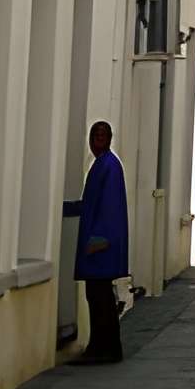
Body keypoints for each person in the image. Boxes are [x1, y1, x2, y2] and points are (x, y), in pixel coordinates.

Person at [65, 121, 129, 364]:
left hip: (100, 247)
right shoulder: (102, 164)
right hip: (98, 245)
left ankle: (102, 349)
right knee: (98, 297)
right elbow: (91, 203)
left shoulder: (108, 165)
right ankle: (105, 347)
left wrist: (98, 241)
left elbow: (109, 209)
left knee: (99, 297)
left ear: (109, 139)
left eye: (101, 136)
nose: (96, 141)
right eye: (94, 136)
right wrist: (65, 208)